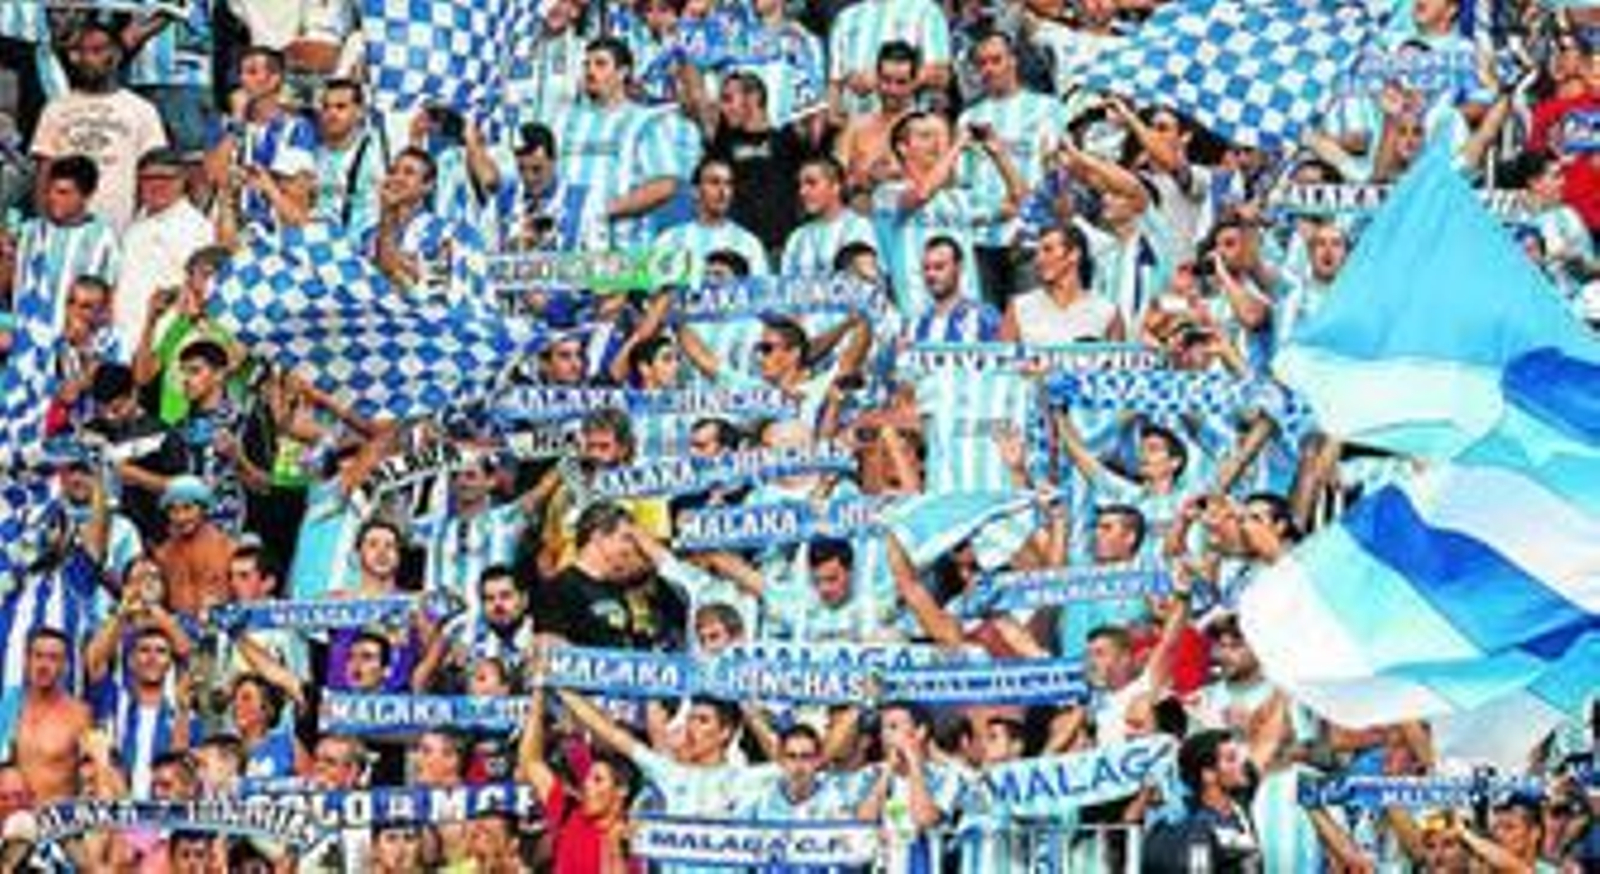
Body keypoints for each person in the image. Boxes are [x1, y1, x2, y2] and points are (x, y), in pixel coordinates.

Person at [30, 22, 168, 230]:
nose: (86, 59)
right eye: (80, 52)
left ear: (116, 55)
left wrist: (140, 228)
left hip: (120, 228)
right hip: (65, 227)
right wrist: (43, 226)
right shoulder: (56, 108)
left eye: (96, 50)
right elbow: (44, 173)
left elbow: (151, 175)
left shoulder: (143, 110)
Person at [111, 148, 213, 344]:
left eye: (166, 178)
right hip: (123, 339)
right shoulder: (135, 224)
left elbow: (200, 291)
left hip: (165, 343)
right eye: (149, 178)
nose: (157, 184)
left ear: (182, 180)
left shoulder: (197, 227)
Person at [7, 628, 92, 803]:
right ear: (26, 660)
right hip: (11, 821)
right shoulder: (8, 706)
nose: (43, 665)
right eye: (38, 656)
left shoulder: (79, 715)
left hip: (56, 822)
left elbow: (92, 775)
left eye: (53, 658)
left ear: (65, 666)